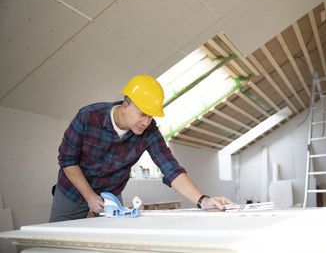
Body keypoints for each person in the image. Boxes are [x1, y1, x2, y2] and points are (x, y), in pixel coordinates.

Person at [49, 75, 235, 222]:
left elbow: (171, 169)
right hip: (71, 191)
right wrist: (89, 195)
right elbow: (68, 160)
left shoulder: (150, 132)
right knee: (54, 243)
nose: (146, 122)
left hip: (111, 196)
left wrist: (203, 201)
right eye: (142, 115)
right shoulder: (88, 117)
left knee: (114, 244)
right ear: (125, 106)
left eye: (151, 117)